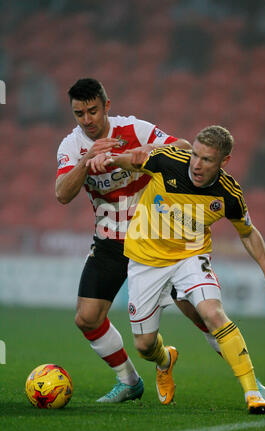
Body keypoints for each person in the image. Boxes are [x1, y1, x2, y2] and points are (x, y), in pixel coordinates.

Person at [87, 125, 265, 414]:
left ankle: (252, 391)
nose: (197, 164)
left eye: (207, 160)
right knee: (145, 345)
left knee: (212, 313)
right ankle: (165, 361)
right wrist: (109, 160)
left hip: (190, 255)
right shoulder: (168, 161)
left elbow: (248, 232)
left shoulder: (228, 193)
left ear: (224, 162)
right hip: (146, 259)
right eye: (195, 156)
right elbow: (133, 160)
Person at [55, 78, 192, 403]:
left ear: (107, 106)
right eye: (79, 114)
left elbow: (185, 149)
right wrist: (87, 163)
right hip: (110, 241)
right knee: (87, 318)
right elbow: (61, 194)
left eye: (92, 111)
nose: (87, 120)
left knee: (197, 310)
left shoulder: (134, 129)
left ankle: (251, 382)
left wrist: (143, 153)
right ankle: (130, 381)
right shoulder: (72, 146)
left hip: (155, 238)